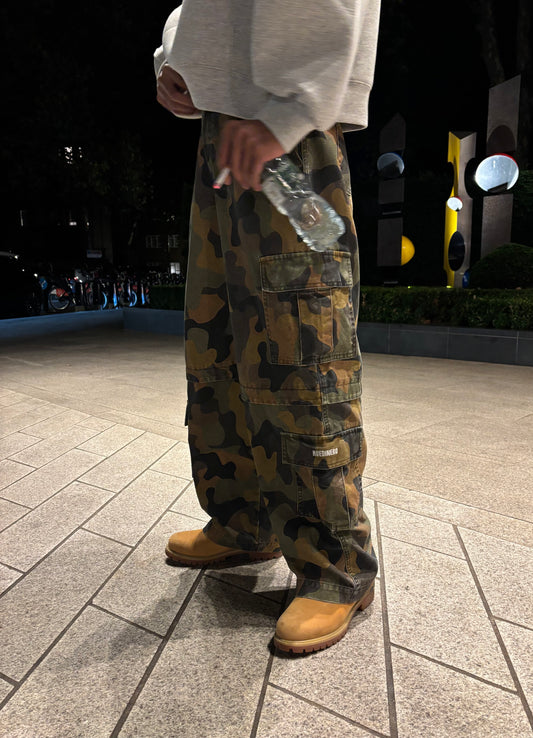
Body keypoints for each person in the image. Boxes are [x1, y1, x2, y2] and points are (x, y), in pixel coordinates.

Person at [154, 0, 381, 654]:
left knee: (304, 350)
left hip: (288, 136)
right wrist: (176, 55)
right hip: (225, 132)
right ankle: (244, 518)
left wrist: (290, 111)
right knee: (218, 342)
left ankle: (336, 564)